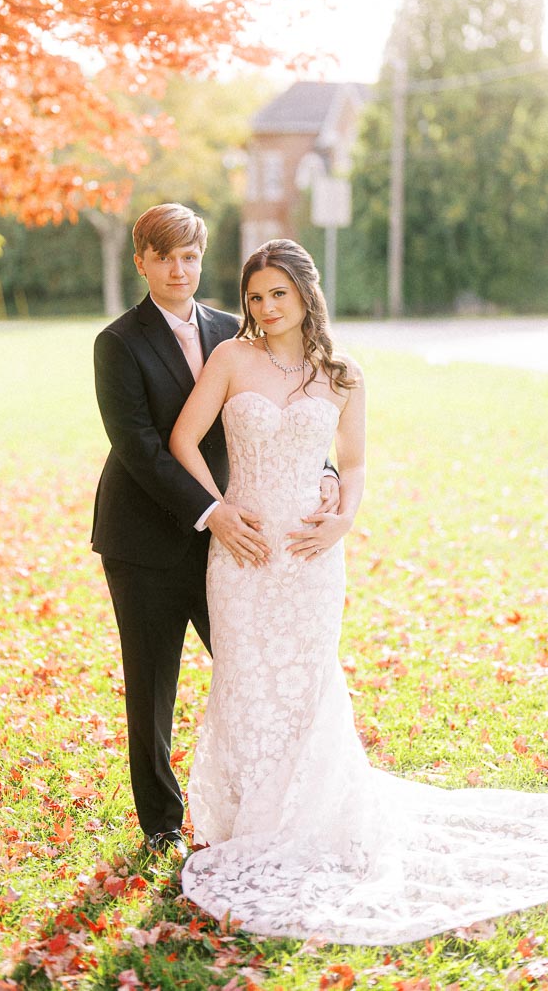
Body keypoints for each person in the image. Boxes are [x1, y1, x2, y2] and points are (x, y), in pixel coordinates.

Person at [169, 238, 548, 943]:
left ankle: (307, 816)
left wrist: (344, 520)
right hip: (241, 554)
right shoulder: (231, 360)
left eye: (278, 295)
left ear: (304, 294)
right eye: (256, 296)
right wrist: (222, 512)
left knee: (306, 682)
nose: (266, 309)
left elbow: (353, 465)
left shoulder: (343, 374)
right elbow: (183, 439)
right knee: (243, 680)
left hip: (312, 554)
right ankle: (244, 820)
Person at [92, 205, 340, 857]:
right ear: (142, 259)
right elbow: (142, 446)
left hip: (236, 547)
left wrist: (328, 475)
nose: (180, 269)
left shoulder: (235, 332)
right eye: (166, 256)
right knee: (152, 684)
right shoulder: (117, 343)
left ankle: (274, 801)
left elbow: (296, 407)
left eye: (191, 256)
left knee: (251, 672)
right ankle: (163, 824)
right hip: (145, 539)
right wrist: (212, 509)